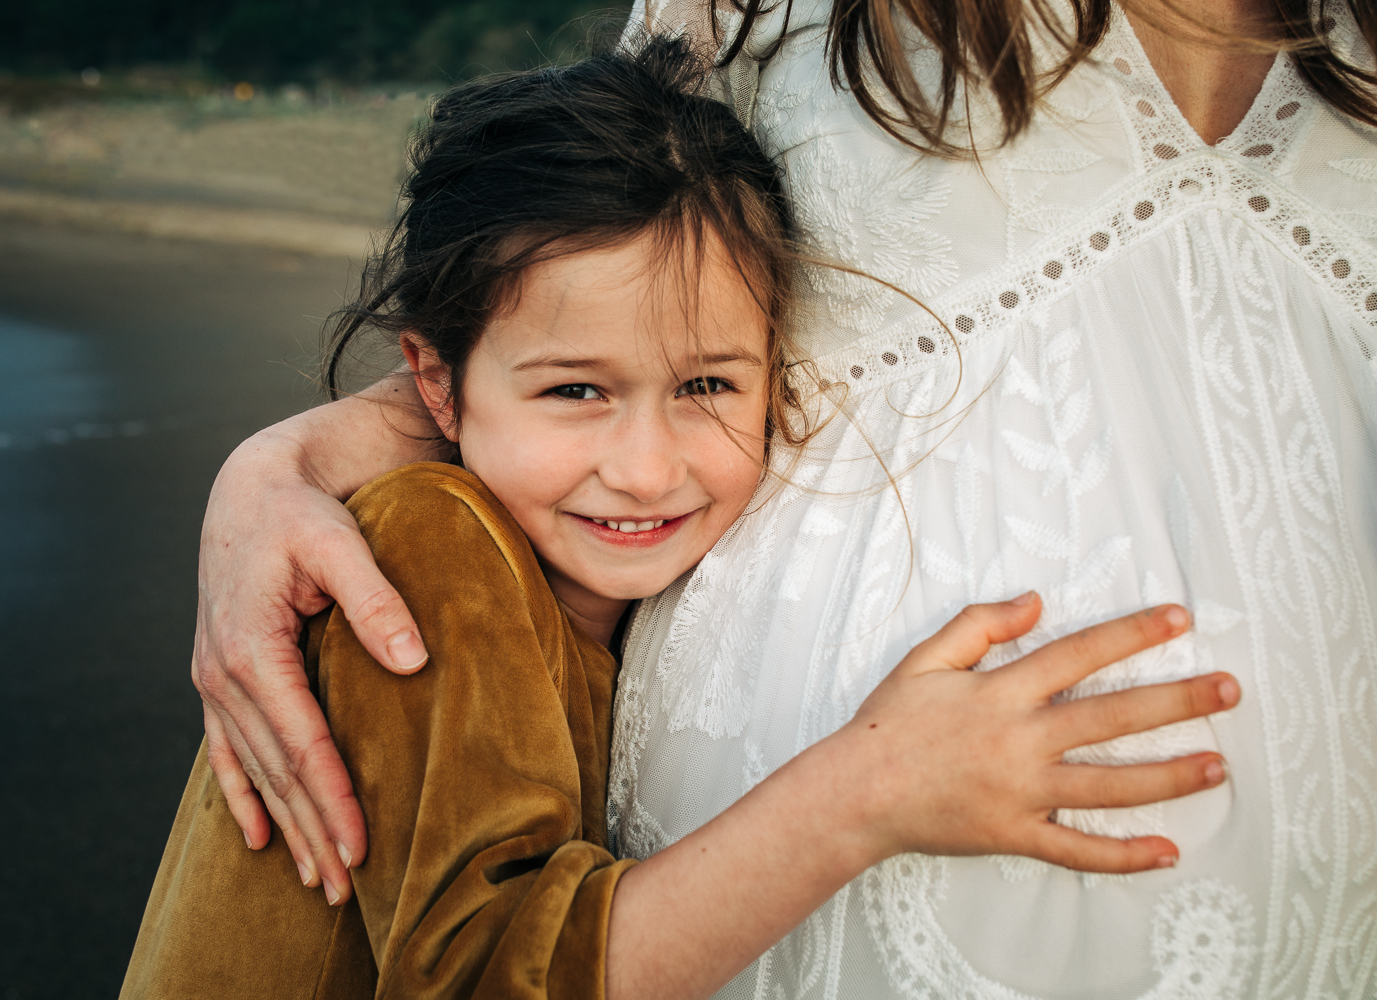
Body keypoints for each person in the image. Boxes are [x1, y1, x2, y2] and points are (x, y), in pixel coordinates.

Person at [188, 0, 1377, 996]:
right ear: (434, 382)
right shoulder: (431, 573)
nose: (647, 466)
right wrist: (281, 465)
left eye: (711, 383)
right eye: (578, 395)